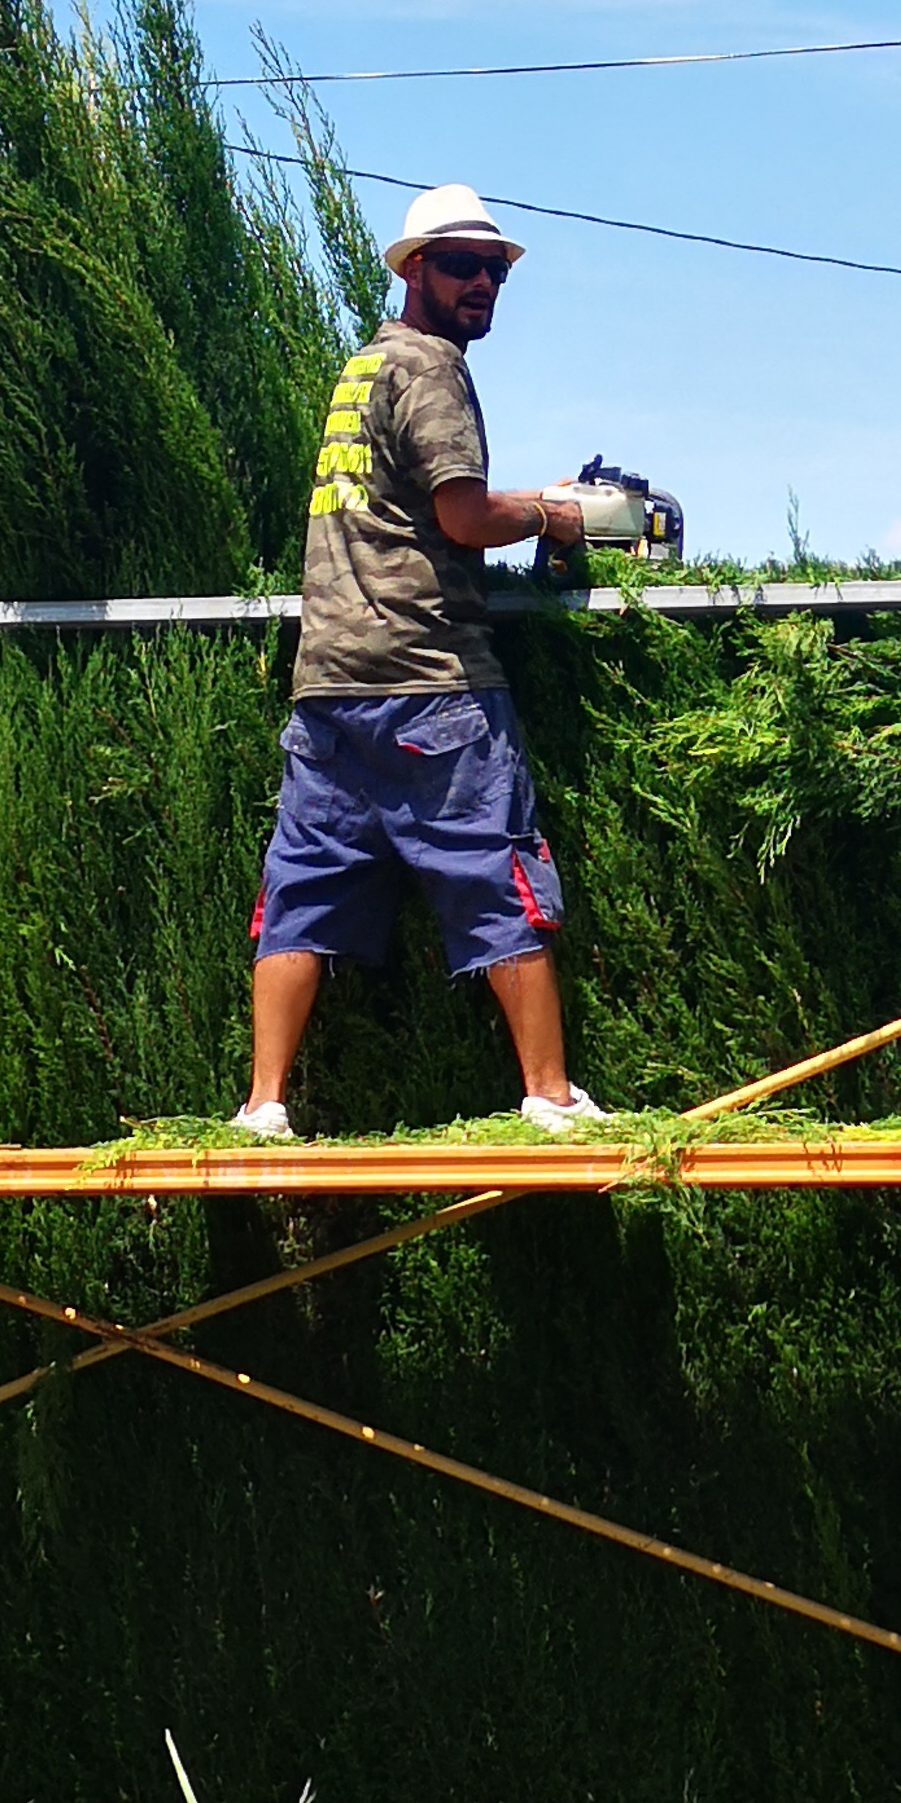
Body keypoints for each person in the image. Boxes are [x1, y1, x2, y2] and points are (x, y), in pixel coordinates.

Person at [235, 185, 599, 1138]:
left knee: (302, 886)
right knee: (496, 876)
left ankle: (263, 1104)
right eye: (462, 266)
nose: (484, 283)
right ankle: (551, 1100)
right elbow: (463, 517)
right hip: (431, 683)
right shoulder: (433, 370)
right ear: (414, 271)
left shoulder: (360, 370)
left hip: (329, 688)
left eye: (497, 270)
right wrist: (552, 513)